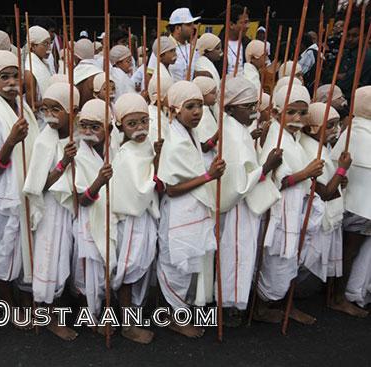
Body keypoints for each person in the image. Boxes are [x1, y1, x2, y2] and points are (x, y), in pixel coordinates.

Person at [156, 80, 225, 337]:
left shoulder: (187, 132)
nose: (197, 112)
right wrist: (209, 176)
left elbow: (194, 156)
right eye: (190, 107)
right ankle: (175, 316)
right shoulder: (175, 139)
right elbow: (171, 188)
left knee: (188, 261)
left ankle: (180, 310)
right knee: (176, 264)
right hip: (178, 211)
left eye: (199, 106)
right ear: (174, 110)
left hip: (190, 209)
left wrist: (212, 142)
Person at [256, 84, 324, 325]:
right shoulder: (276, 138)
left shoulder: (292, 137)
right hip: (281, 210)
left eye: (302, 113)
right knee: (276, 261)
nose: (297, 118)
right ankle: (263, 307)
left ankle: (285, 304)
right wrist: (306, 173)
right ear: (275, 112)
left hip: (296, 209)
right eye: (291, 112)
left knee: (290, 259)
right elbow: (271, 183)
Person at [0, 51, 39, 320]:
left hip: (26, 186)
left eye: (16, 75)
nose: (12, 81)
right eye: (4, 76)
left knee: (28, 246)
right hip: (5, 192)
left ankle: (27, 295)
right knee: (5, 247)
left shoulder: (22, 106)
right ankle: (6, 300)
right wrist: (12, 140)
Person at [218, 76, 283, 327]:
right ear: (231, 107)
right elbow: (238, 181)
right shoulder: (232, 134)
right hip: (238, 206)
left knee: (242, 253)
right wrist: (267, 166)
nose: (253, 113)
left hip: (244, 204)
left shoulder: (237, 129)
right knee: (235, 253)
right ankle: (229, 307)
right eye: (248, 108)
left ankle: (236, 304)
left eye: (254, 107)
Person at [52, 99, 116, 331]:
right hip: (88, 222)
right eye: (84, 126)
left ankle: (103, 310)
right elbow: (81, 200)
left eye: (95, 127)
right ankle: (90, 316)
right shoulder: (77, 155)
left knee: (105, 271)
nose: (88, 132)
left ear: (109, 129)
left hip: (112, 219)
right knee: (87, 270)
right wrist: (99, 182)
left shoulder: (116, 149)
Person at [23, 82, 79, 340]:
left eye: (57, 108)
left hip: (75, 207)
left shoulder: (80, 134)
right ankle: (47, 315)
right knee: (50, 261)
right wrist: (63, 163)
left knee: (69, 258)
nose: (50, 114)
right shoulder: (45, 140)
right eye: (45, 108)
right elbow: (38, 185)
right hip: (52, 211)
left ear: (72, 109)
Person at [110, 93, 162, 344]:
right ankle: (127, 324)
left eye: (144, 121)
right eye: (132, 123)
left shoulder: (148, 145)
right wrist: (158, 163)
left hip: (146, 218)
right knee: (129, 269)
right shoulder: (126, 154)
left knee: (141, 267)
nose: (140, 128)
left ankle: (135, 315)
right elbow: (140, 190)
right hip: (132, 220)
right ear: (120, 124)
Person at [330, 86, 371, 318]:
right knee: (348, 251)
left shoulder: (352, 129)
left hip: (352, 200)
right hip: (360, 204)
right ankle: (337, 297)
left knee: (344, 249)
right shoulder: (361, 131)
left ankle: (333, 291)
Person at [299, 103, 347, 286]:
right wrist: (341, 170)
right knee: (304, 262)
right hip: (313, 217)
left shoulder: (318, 145)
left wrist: (339, 179)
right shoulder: (312, 149)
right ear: (312, 127)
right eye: (329, 125)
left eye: (336, 124)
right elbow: (325, 192)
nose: (335, 130)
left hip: (318, 215)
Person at [147, 7, 200, 82]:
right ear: (178, 28)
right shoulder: (163, 47)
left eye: (192, 24)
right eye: (189, 24)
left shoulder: (192, 48)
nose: (193, 27)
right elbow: (150, 75)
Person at [24, 25, 55, 128]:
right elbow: (31, 104)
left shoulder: (45, 64)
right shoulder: (30, 71)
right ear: (33, 46)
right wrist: (52, 101)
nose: (49, 48)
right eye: (45, 44)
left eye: (50, 43)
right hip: (40, 122)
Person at [219, 4, 250, 75]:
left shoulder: (248, 44)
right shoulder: (218, 45)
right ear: (231, 25)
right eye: (244, 22)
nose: (248, 26)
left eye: (248, 22)